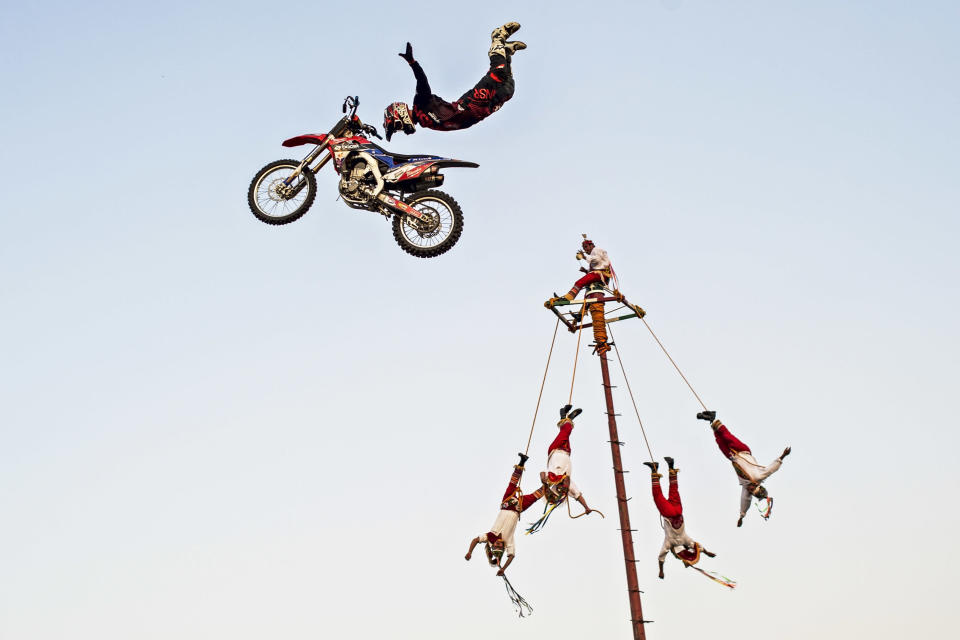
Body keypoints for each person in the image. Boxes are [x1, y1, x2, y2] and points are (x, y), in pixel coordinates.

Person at [383, 23, 526, 141]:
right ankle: (505, 52)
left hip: (470, 105)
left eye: (397, 126)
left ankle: (497, 38)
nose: (400, 129)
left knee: (498, 73)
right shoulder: (423, 122)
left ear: (399, 113)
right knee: (508, 89)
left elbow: (422, 80)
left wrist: (412, 62)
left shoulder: (420, 103)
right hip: (478, 114)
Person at [697, 410, 792, 526]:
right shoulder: (758, 476)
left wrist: (741, 517)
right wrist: (783, 456)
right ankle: (715, 418)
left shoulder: (747, 490)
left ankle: (711, 420)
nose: (750, 489)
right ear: (757, 485)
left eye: (751, 491)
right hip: (742, 451)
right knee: (727, 437)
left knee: (720, 442)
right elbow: (771, 469)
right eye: (753, 489)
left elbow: (745, 502)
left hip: (733, 457)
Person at [465, 453, 541, 576]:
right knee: (536, 496)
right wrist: (503, 569)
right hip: (517, 508)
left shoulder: (490, 537)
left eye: (497, 545)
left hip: (506, 503)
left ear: (493, 546)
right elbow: (511, 556)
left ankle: (522, 461)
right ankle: (552, 483)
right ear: (502, 547)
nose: (499, 543)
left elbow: (475, 540)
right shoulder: (508, 542)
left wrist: (470, 552)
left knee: (512, 483)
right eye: (500, 545)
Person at [642, 457, 716, 579]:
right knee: (657, 495)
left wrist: (707, 553)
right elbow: (661, 557)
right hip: (669, 513)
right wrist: (661, 571)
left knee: (674, 491)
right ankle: (654, 470)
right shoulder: (669, 543)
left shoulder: (686, 540)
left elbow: (698, 546)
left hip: (678, 511)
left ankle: (671, 467)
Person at [544, 237, 619, 355]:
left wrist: (584, 257)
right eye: (584, 249)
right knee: (588, 298)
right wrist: (585, 270)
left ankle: (568, 298)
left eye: (586, 247)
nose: (586, 250)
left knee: (579, 283)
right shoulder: (594, 254)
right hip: (598, 277)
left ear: (590, 245)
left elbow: (596, 260)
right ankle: (579, 315)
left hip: (600, 276)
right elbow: (596, 263)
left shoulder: (596, 250)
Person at [539, 404, 593, 513]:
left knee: (566, 430)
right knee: (565, 432)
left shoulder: (551, 480)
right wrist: (586, 508)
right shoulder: (568, 487)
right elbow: (578, 495)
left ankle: (564, 416)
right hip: (567, 452)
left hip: (554, 450)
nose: (562, 487)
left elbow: (542, 473)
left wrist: (544, 482)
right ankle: (566, 418)